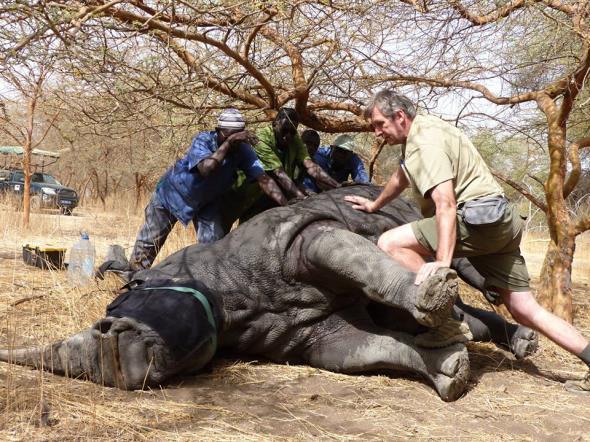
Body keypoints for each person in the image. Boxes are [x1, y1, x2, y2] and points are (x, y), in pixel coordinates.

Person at [345, 89, 590, 392]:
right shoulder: (428, 129)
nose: (377, 132)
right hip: (501, 222)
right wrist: (374, 204)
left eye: (380, 124)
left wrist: (442, 265)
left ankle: (446, 322)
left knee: (391, 243)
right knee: (526, 310)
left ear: (400, 117)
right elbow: (402, 176)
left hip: (475, 220)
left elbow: (446, 204)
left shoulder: (425, 143)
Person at [130, 108, 287, 270]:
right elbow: (206, 168)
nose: (235, 142)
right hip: (172, 195)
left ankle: (205, 284)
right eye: (230, 136)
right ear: (218, 131)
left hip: (205, 203)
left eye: (238, 137)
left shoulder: (243, 150)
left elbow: (264, 179)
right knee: (148, 245)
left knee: (213, 248)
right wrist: (228, 144)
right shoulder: (203, 140)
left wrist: (287, 205)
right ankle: (131, 281)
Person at [221, 108, 339, 225]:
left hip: (275, 195)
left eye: (292, 132)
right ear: (274, 124)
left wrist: (337, 185)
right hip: (246, 194)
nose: (288, 136)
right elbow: (279, 173)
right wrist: (301, 197)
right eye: (284, 130)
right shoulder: (261, 139)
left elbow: (310, 165)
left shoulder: (294, 137)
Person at [302, 134, 370, 192]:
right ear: (332, 148)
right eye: (339, 150)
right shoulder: (320, 155)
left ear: (351, 154)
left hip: (339, 191)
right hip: (318, 187)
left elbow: (363, 180)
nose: (341, 155)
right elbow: (317, 179)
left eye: (345, 152)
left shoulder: (353, 160)